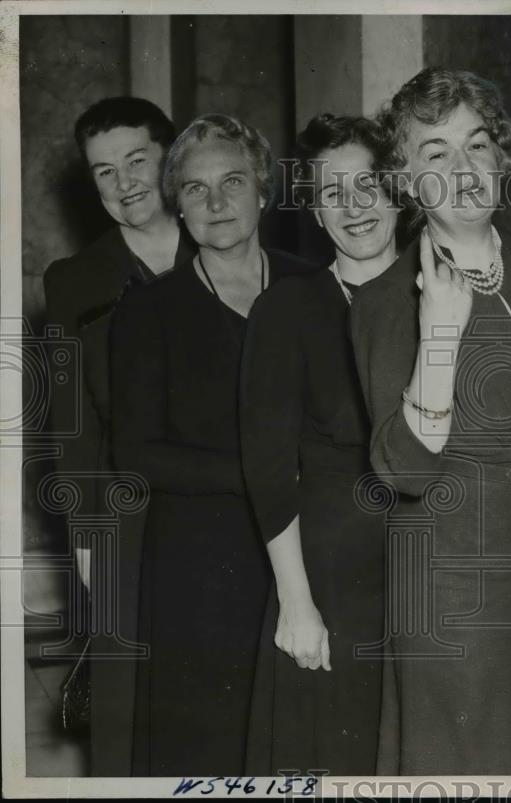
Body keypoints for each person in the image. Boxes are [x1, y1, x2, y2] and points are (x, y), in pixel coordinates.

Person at [350, 67, 511, 775]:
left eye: (477, 144)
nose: (463, 168)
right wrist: (441, 337)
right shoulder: (383, 302)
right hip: (455, 594)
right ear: (407, 179)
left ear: (502, 156)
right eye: (435, 152)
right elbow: (405, 471)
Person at [110, 113, 315, 776]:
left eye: (232, 182)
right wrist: (261, 476)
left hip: (305, 546)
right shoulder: (149, 311)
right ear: (179, 204)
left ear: (264, 190)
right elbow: (138, 451)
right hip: (198, 564)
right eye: (196, 190)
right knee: (205, 748)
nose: (217, 202)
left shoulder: (311, 288)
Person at [241, 113, 399, 775]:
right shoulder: (286, 308)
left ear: (399, 188)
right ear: (313, 209)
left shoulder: (443, 290)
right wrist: (297, 602)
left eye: (367, 184)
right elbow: (269, 465)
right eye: (332, 192)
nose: (354, 207)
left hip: (435, 571)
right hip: (331, 580)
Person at [43, 96, 195, 776]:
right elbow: (72, 427)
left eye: (137, 160)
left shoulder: (228, 245)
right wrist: (87, 543)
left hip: (231, 512)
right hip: (126, 522)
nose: (125, 182)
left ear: (173, 158)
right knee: (130, 720)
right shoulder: (74, 282)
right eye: (105, 172)